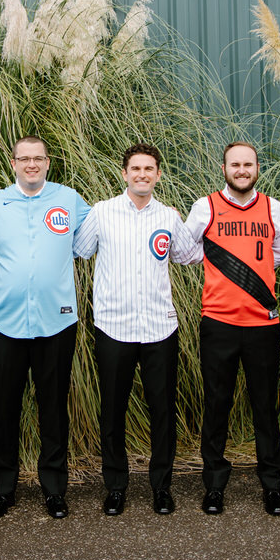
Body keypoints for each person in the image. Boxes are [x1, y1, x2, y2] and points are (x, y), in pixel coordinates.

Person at [74, 143, 196, 517]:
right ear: (124, 173)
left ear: (159, 174)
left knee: (162, 409)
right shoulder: (102, 212)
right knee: (113, 410)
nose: (142, 174)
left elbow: (188, 254)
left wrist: (192, 221)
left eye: (149, 169)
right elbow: (80, 249)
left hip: (160, 327)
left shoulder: (169, 217)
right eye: (136, 169)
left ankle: (161, 486)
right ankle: (115, 486)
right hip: (114, 326)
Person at [0, 136, 93, 519]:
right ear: (13, 163)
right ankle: (2, 490)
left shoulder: (70, 199)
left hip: (56, 321)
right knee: (5, 406)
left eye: (38, 158)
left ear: (48, 162)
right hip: (4, 323)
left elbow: (101, 228)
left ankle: (54, 489)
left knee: (53, 407)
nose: (31, 164)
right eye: (24, 158)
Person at [181, 141, 280, 516]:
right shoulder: (206, 206)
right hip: (218, 322)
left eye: (248, 164)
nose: (242, 170)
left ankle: (273, 486)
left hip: (263, 323)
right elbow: (184, 251)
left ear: (257, 168)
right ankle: (214, 486)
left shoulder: (272, 207)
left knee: (265, 406)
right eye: (236, 164)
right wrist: (219, 260)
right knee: (217, 405)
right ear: (224, 168)